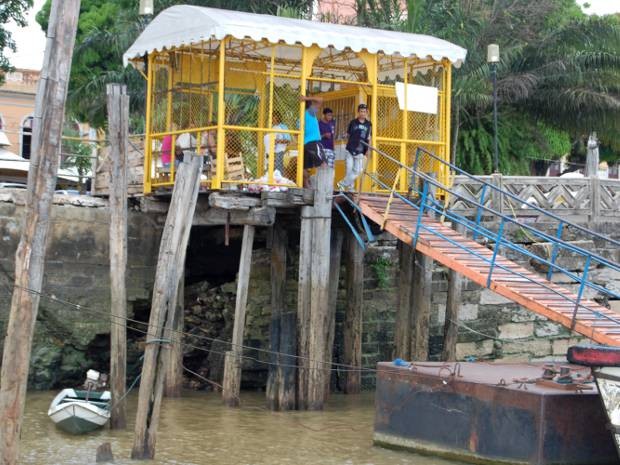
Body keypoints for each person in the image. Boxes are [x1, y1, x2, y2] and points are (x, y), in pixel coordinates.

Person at [339, 103, 371, 191]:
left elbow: (368, 138)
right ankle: (350, 188)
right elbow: (348, 133)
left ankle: (342, 183)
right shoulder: (353, 122)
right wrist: (344, 136)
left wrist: (368, 150)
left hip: (361, 150)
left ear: (366, 113)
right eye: (361, 111)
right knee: (349, 169)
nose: (363, 113)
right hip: (350, 148)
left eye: (364, 112)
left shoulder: (368, 124)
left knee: (358, 171)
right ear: (358, 112)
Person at [299, 95, 327, 188]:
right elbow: (320, 99)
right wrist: (306, 98)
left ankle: (307, 187)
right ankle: (324, 186)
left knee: (305, 167)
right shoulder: (310, 112)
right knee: (324, 163)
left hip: (304, 144)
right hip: (313, 142)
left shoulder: (300, 118)